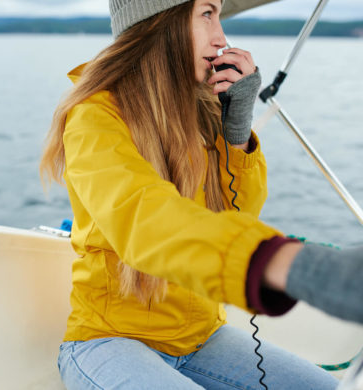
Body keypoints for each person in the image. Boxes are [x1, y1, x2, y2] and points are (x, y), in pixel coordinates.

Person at [41, 0, 362, 388]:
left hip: (202, 338)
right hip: (109, 341)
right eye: (207, 13)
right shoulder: (94, 116)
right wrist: (287, 265)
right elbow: (146, 222)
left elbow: (239, 213)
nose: (222, 38)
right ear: (160, 21)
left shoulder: (202, 110)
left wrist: (236, 133)